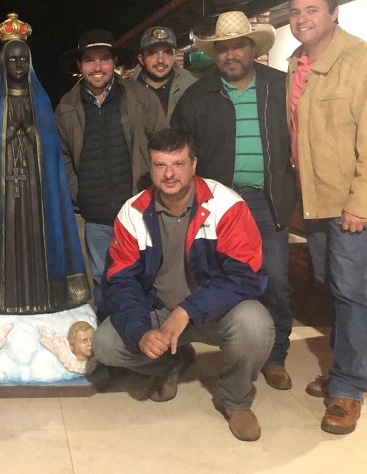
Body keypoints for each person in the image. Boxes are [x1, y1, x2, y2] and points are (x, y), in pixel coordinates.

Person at [92, 129, 273, 442]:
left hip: (214, 312)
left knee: (256, 325)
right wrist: (140, 332)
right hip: (159, 312)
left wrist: (189, 309)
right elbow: (121, 282)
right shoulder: (132, 212)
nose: (169, 174)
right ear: (150, 168)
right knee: (105, 345)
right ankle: (173, 361)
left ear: (193, 164)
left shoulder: (226, 206)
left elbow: (247, 275)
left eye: (177, 163)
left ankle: (235, 400)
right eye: (160, 165)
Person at [172, 10, 297, 391]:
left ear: (252, 48)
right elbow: (177, 148)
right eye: (222, 49)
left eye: (237, 46)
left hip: (268, 202)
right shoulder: (198, 96)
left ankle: (274, 357)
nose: (229, 55)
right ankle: (232, 348)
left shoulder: (281, 87)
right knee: (215, 279)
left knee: (275, 281)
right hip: (217, 209)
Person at [287, 0, 367, 435]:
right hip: (316, 201)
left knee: (350, 293)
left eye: (312, 10)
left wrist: (362, 203)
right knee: (328, 285)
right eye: (296, 12)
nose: (302, 18)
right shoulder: (297, 62)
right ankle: (341, 367)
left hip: (349, 204)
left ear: (333, 13)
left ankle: (348, 386)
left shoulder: (361, 61)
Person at [0, 38, 88, 313]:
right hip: (1, 192)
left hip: (36, 191)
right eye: (12, 59)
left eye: (23, 59)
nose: (18, 64)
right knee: (3, 240)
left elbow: (52, 147)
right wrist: (9, 133)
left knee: (36, 239)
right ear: (3, 64)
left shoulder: (41, 101)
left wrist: (31, 132)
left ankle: (44, 295)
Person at [55, 29, 167, 317]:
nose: (97, 67)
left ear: (114, 62)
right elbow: (61, 156)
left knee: (147, 280)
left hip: (141, 211)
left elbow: (163, 144)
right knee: (104, 282)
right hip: (97, 218)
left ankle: (150, 350)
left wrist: (157, 193)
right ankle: (111, 349)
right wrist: (78, 194)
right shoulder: (67, 107)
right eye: (90, 60)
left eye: (104, 59)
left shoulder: (140, 98)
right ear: (80, 66)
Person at [131, 26, 197, 118]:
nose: (161, 60)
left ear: (174, 56)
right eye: (153, 53)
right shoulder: (126, 91)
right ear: (141, 59)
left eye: (167, 53)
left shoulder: (191, 87)